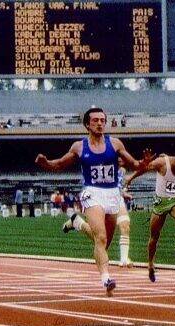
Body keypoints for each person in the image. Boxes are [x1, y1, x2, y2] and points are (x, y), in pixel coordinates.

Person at [35, 107, 152, 297]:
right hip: (92, 193)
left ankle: (77, 222)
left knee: (103, 241)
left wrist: (143, 164)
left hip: (113, 194)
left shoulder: (115, 144)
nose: (99, 123)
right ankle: (106, 278)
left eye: (102, 120)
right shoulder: (79, 147)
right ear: (87, 125)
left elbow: (134, 164)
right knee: (101, 238)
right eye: (95, 120)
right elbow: (59, 164)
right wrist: (45, 163)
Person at [125, 150, 175, 282]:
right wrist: (130, 178)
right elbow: (145, 168)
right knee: (154, 236)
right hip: (160, 204)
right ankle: (150, 264)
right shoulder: (162, 163)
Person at [116, 157, 134, 267]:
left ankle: (123, 259)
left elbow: (118, 187)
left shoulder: (122, 171)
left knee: (125, 225)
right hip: (102, 199)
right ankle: (77, 222)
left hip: (117, 199)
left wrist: (123, 193)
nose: (119, 158)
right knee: (99, 234)